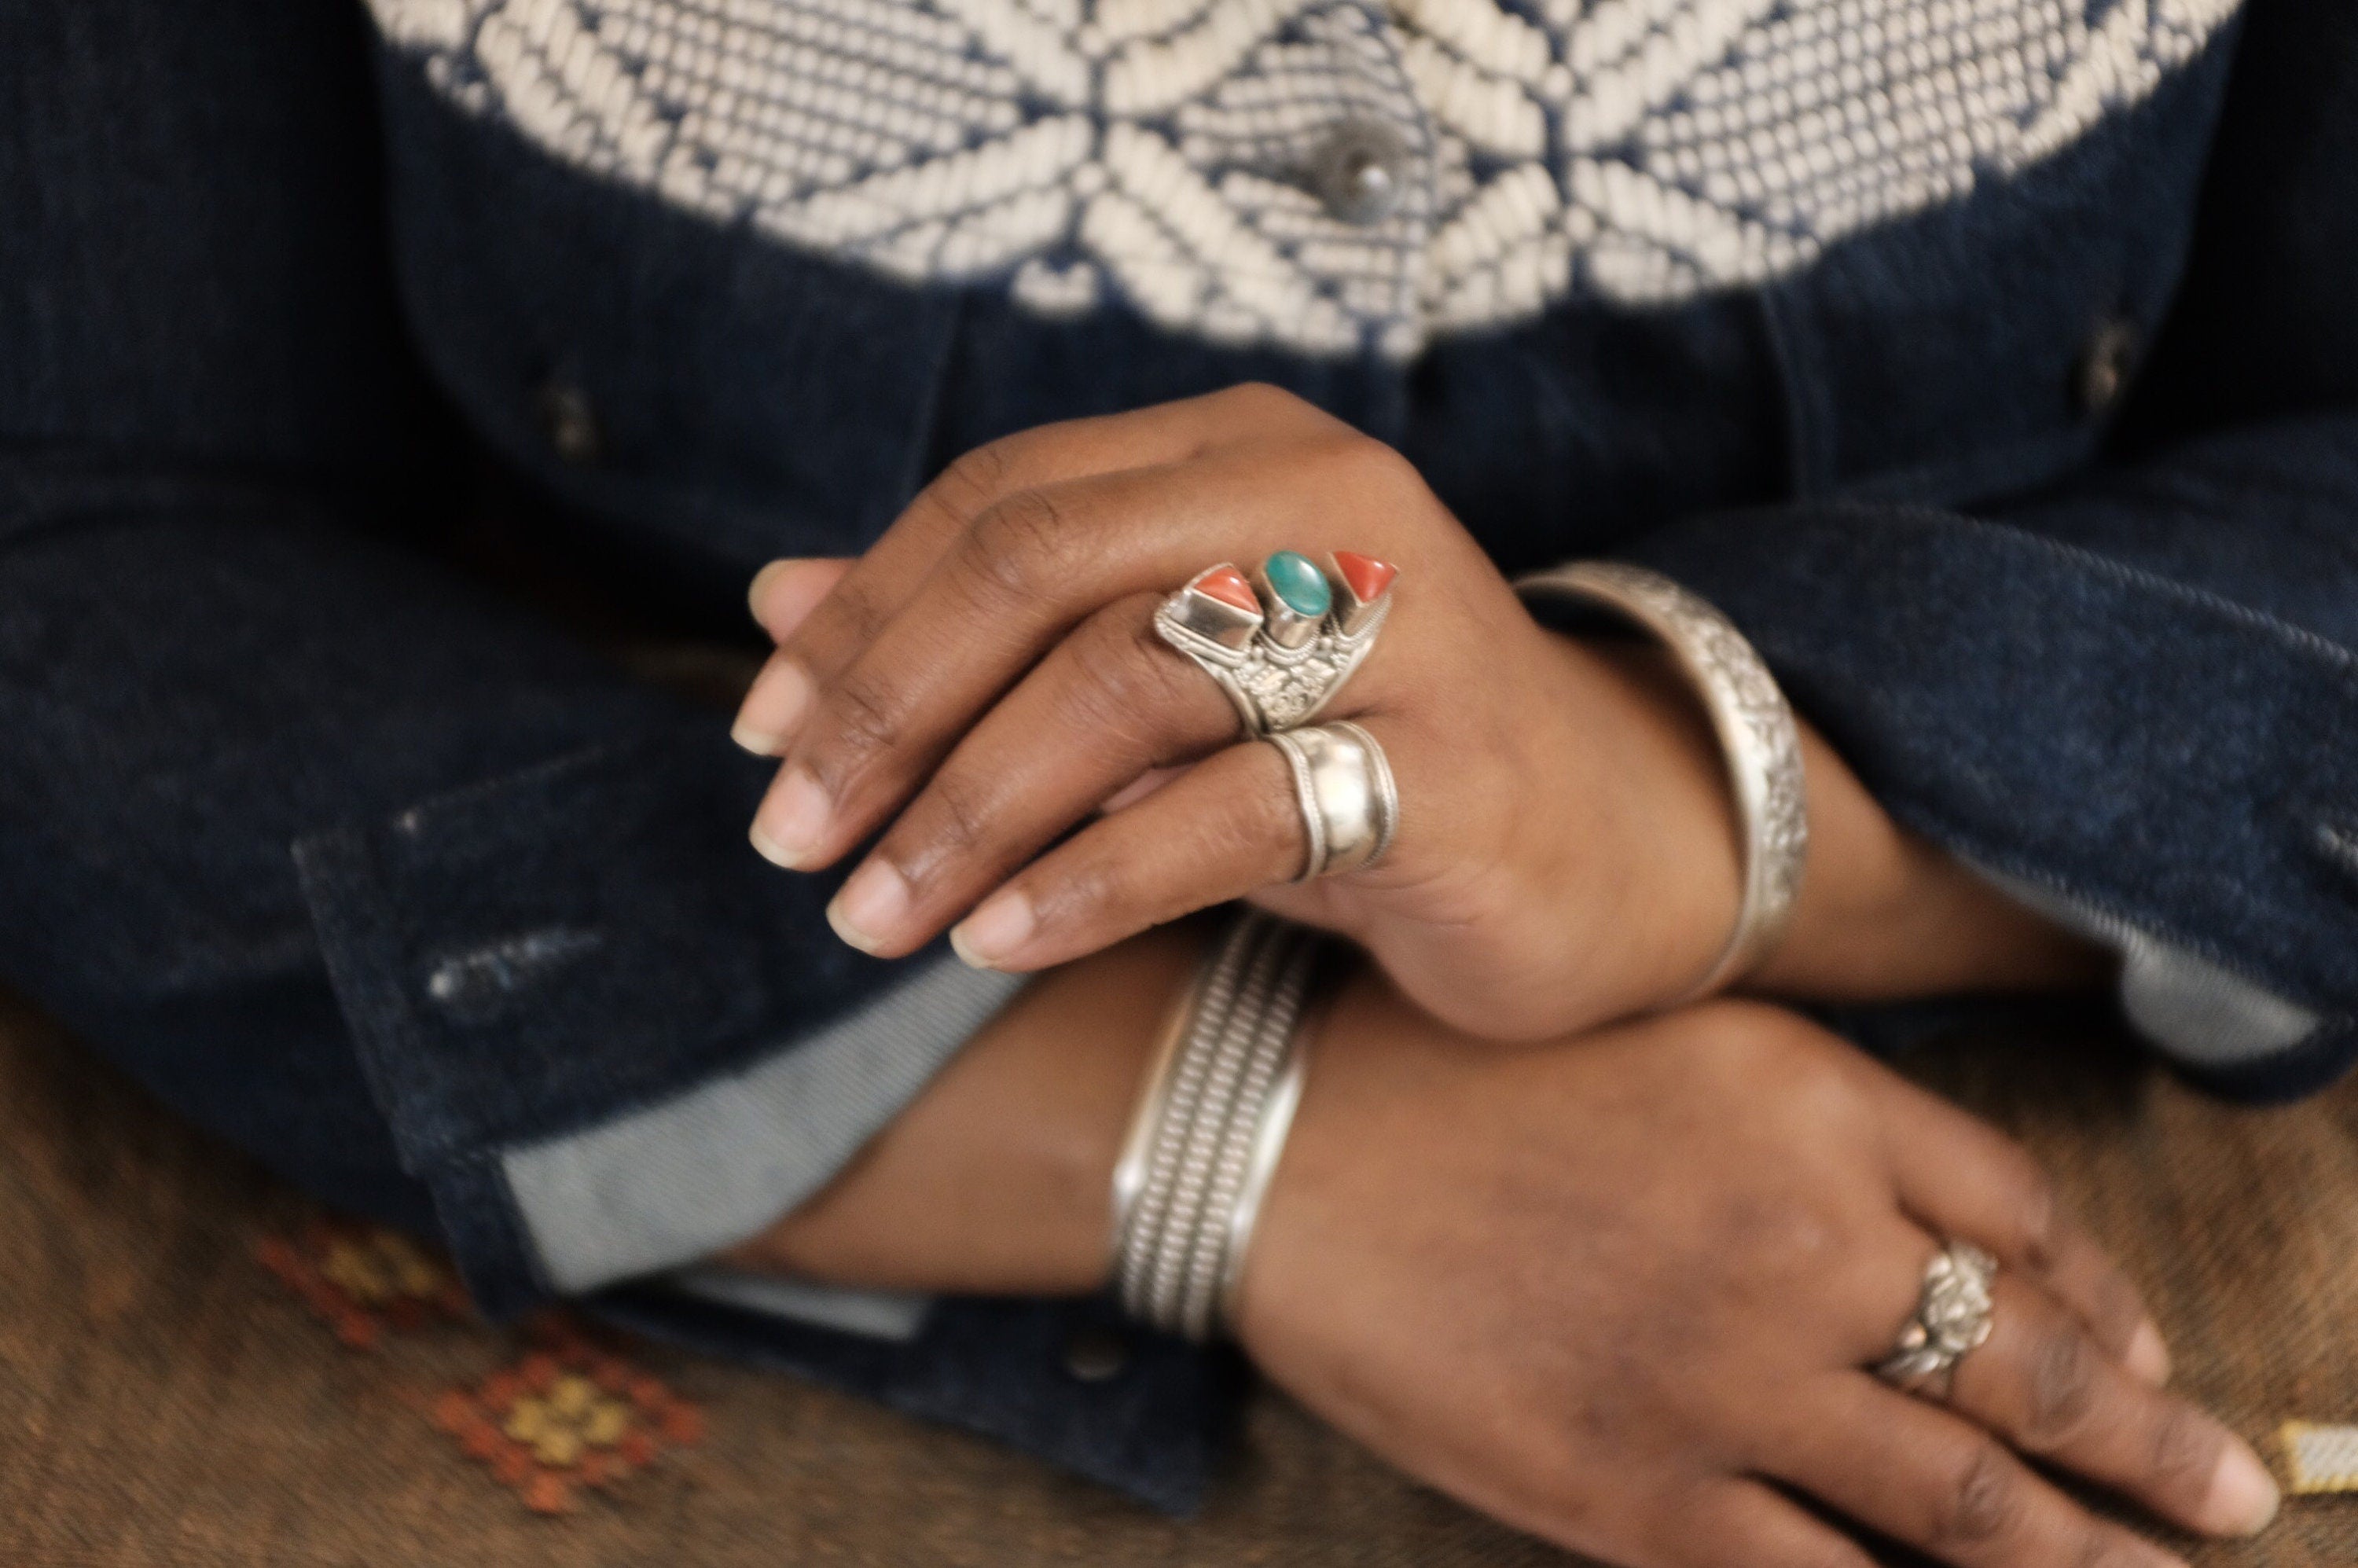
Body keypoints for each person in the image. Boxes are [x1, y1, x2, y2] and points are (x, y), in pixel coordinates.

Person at [4, 0, 2352, 1559]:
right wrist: (1263, 1127)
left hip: (2119, 949)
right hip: (579, 950)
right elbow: (83, 509)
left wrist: (1667, 799)